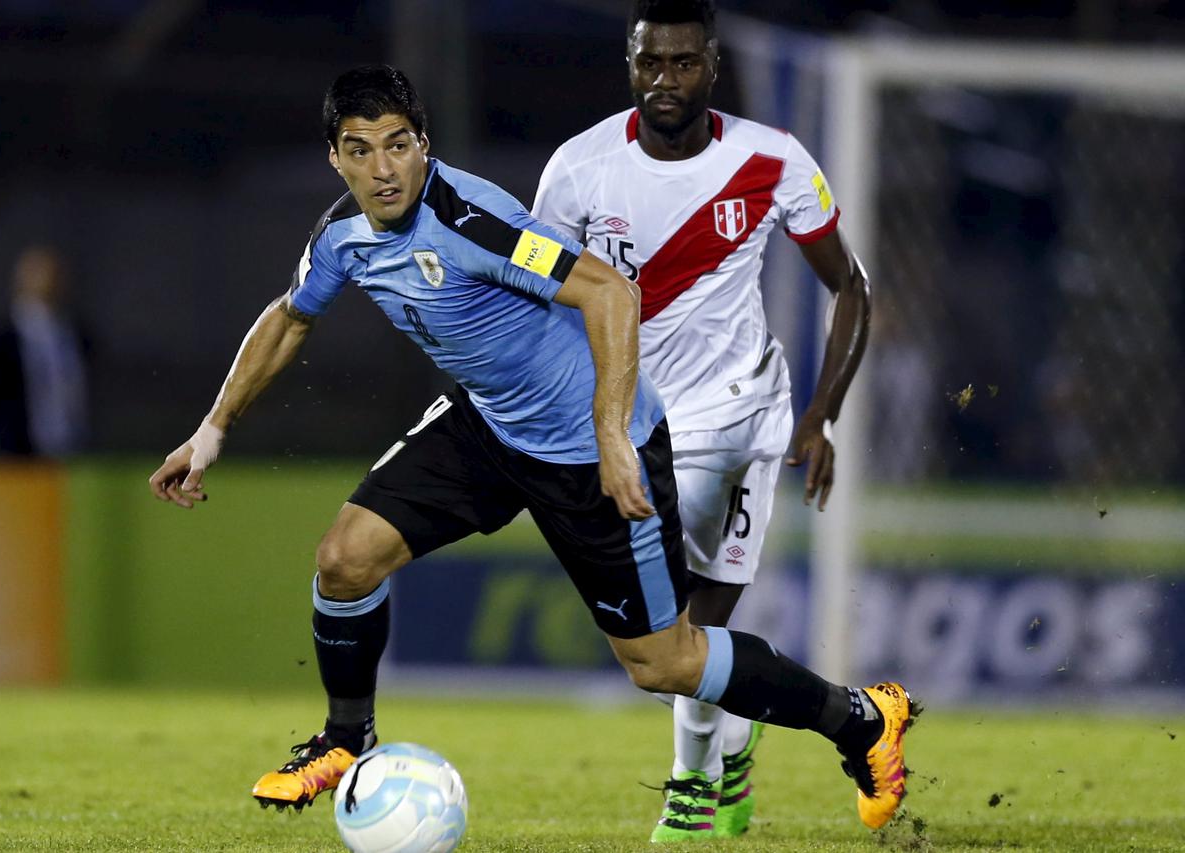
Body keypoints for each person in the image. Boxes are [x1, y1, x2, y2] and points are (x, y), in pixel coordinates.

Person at [148, 64, 913, 836]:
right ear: (335, 159)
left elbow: (610, 291)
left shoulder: (472, 220)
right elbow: (290, 316)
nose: (383, 169)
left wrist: (612, 434)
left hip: (590, 442)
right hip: (488, 424)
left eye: (398, 145)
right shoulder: (342, 235)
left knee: (664, 663)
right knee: (345, 560)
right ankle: (348, 740)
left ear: (425, 145)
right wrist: (212, 430)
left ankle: (860, 721)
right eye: (360, 150)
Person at [531, 0, 878, 840]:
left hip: (741, 418)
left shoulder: (773, 160)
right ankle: (737, 732)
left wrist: (820, 416)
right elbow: (535, 294)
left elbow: (854, 289)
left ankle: (690, 791)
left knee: (692, 632)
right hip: (636, 425)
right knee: (675, 651)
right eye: (651, 62)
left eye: (683, 63)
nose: (666, 80)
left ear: (712, 67)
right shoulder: (579, 170)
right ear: (630, 63)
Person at [0, 245, 89, 457]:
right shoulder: (1, 340)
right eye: (36, 272)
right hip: (16, 452)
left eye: (52, 273)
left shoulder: (74, 335)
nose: (45, 279)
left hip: (69, 447)